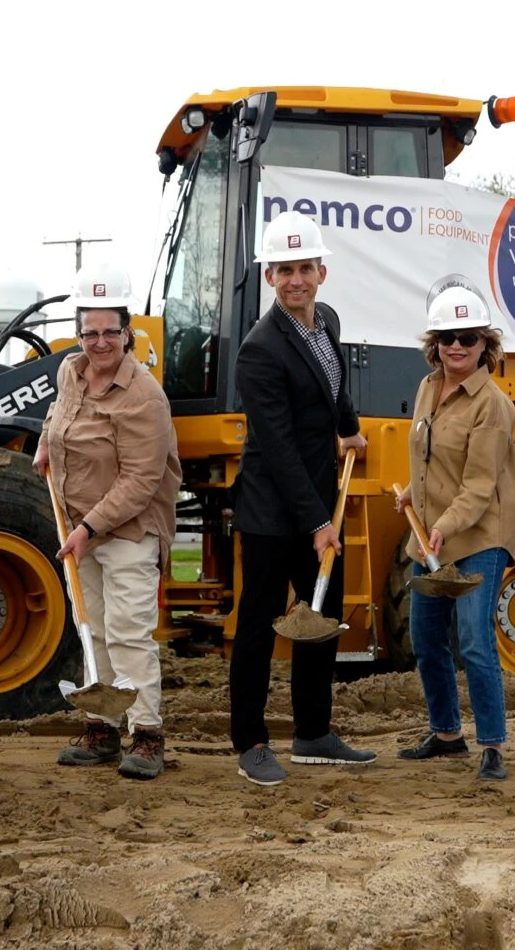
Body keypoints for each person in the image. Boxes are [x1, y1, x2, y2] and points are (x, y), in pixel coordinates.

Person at [228, 211, 374, 787]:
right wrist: (317, 521)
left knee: (323, 617)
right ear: (270, 277)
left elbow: (333, 390)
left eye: (304, 268)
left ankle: (313, 732)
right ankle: (252, 742)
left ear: (321, 272)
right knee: (261, 628)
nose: (295, 280)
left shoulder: (326, 323)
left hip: (315, 502)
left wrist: (352, 429)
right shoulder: (259, 350)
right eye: (283, 270)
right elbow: (279, 447)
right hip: (271, 512)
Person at [35, 263, 183, 781]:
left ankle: (147, 734)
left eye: (110, 332)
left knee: (128, 633)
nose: (99, 343)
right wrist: (43, 445)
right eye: (90, 332)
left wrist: (87, 529)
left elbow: (141, 481)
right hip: (80, 526)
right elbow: (60, 417)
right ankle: (102, 728)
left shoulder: (144, 396)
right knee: (92, 629)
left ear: (128, 332)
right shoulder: (70, 372)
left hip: (127, 531)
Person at [395, 284, 515, 781]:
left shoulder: (492, 405)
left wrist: (442, 527)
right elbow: (431, 459)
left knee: (473, 640)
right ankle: (447, 734)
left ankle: (492, 744)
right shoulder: (429, 387)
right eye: (448, 337)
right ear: (435, 342)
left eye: (468, 338)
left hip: (479, 535)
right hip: (431, 534)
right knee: (425, 636)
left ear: (484, 344)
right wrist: (411, 492)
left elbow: (478, 485)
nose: (457, 346)